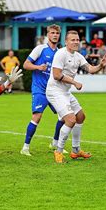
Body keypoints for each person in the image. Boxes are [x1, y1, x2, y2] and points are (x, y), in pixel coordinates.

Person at [46, 30, 106, 163]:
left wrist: (101, 65)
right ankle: (58, 152)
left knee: (81, 116)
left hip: (65, 92)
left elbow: (91, 69)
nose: (75, 42)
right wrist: (74, 82)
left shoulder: (78, 56)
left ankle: (75, 150)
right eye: (72, 40)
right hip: (54, 91)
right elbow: (57, 75)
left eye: (77, 40)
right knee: (70, 119)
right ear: (66, 42)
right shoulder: (61, 53)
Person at [20, 24, 65, 156]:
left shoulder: (60, 52)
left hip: (54, 90)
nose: (55, 35)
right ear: (48, 35)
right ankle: (25, 147)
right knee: (37, 117)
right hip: (40, 89)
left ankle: (55, 143)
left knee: (64, 116)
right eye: (52, 33)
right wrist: (38, 67)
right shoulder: (40, 49)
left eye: (57, 33)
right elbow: (26, 64)